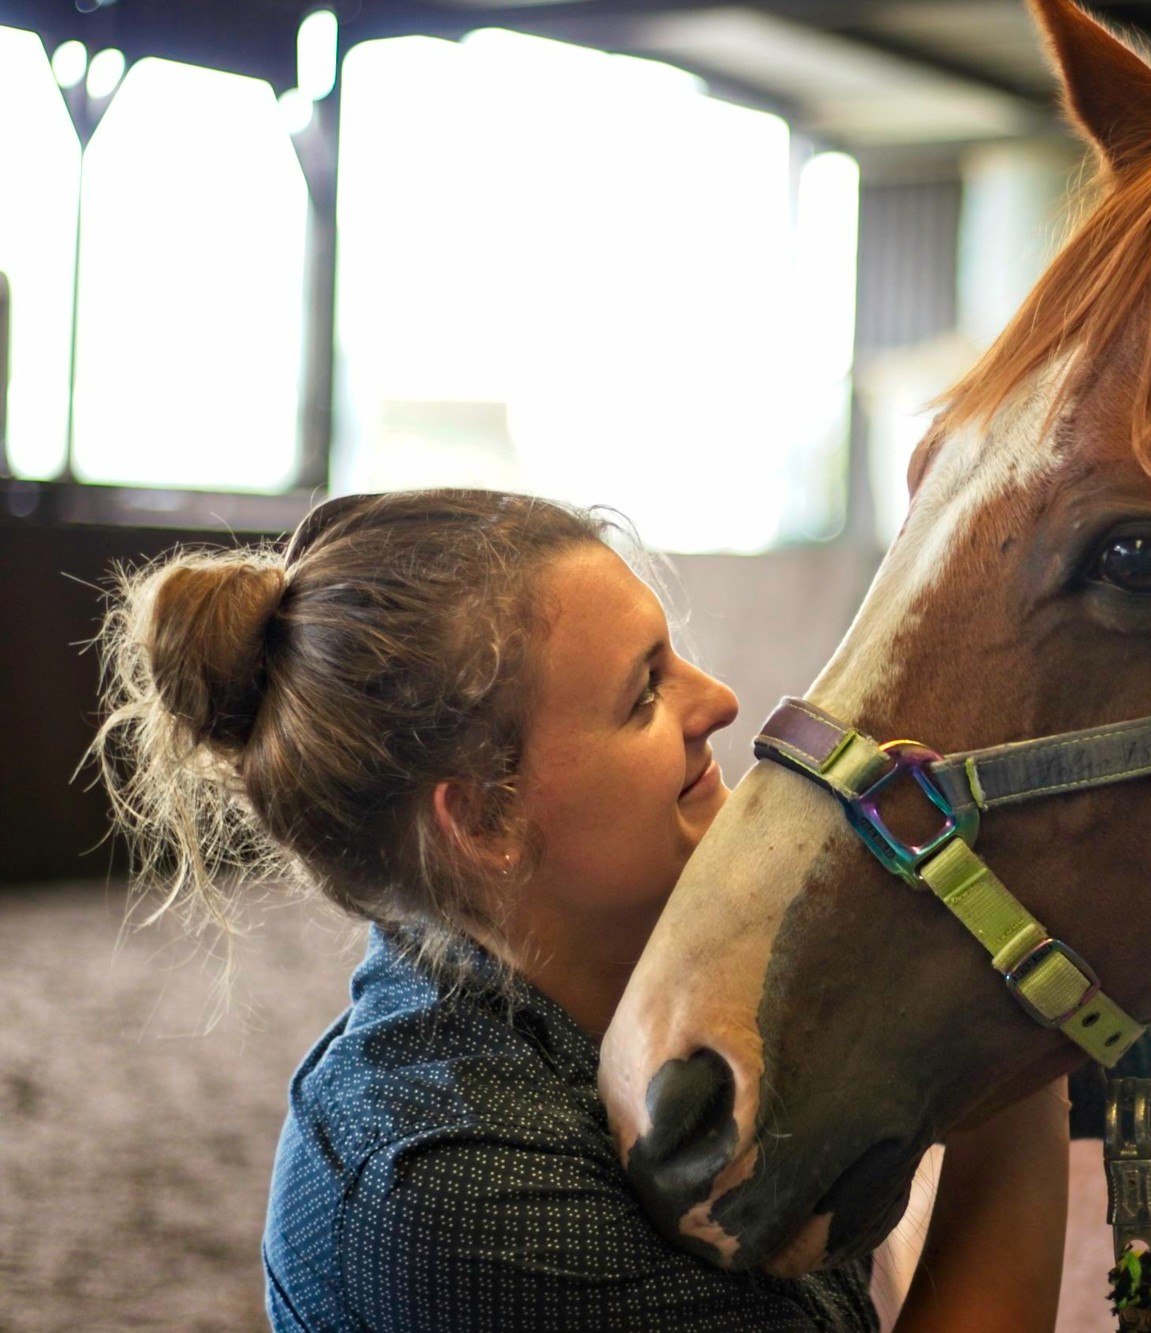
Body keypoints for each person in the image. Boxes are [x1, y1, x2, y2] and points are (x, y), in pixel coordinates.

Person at [92, 489, 1070, 1332]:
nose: (721, 699)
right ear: (482, 817)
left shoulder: (652, 961)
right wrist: (1011, 1046)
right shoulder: (456, 1185)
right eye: (644, 691)